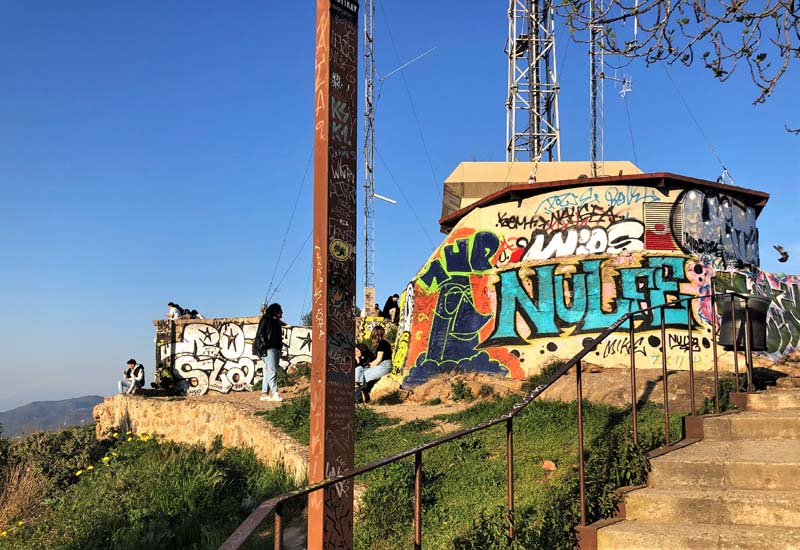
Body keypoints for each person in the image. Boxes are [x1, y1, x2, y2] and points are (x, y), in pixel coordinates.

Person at [253, 303, 284, 402]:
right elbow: (260, 333)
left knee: (268, 371)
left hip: (275, 348)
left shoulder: (276, 321)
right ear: (275, 311)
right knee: (272, 371)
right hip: (269, 348)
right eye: (280, 310)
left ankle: (264, 393)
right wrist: (266, 345)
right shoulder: (266, 319)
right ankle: (275, 393)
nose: (282, 313)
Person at [355, 326, 393, 403]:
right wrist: (369, 365)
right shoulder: (385, 343)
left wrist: (370, 366)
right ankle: (359, 396)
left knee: (362, 375)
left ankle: (358, 397)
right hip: (383, 365)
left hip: (384, 366)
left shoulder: (382, 344)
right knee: (359, 371)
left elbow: (378, 360)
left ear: (375, 335)